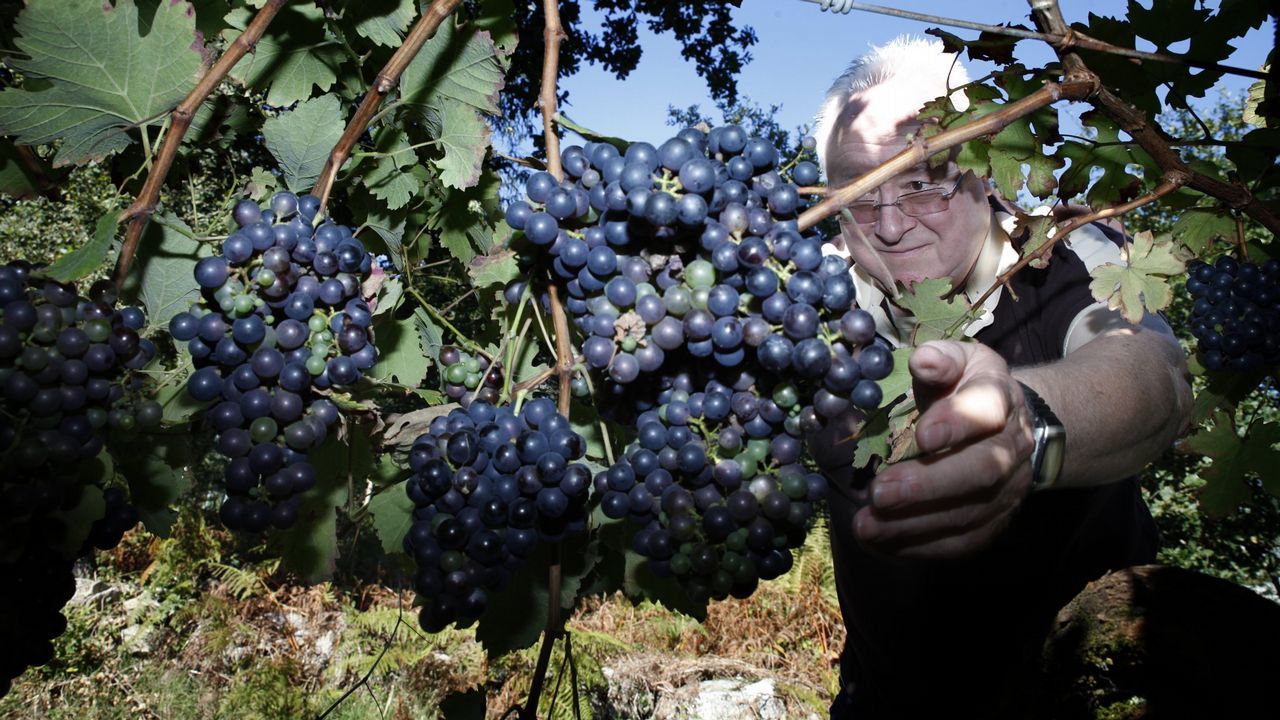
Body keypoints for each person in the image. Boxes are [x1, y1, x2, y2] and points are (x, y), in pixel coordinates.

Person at [807, 37, 1192, 718]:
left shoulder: (1063, 249)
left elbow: (1155, 373)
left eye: (924, 181)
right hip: (885, 702)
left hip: (1083, 695)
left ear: (985, 172)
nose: (891, 226)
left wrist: (1029, 428)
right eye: (862, 196)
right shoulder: (805, 298)